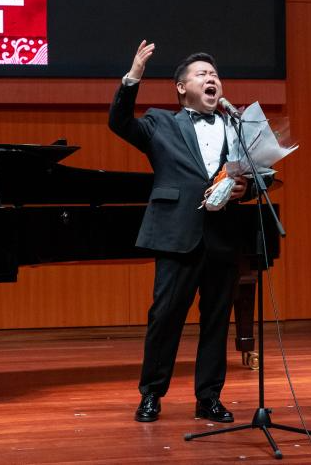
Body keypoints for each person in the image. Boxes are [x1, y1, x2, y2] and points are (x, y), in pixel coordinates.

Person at [108, 40, 249, 424]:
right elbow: (119, 123)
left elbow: (258, 176)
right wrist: (133, 76)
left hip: (222, 236)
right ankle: (151, 394)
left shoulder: (237, 125)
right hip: (175, 233)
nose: (212, 80)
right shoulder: (160, 123)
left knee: (217, 320)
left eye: (215, 76)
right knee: (165, 317)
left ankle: (209, 398)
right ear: (182, 87)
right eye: (203, 75)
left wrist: (246, 188)